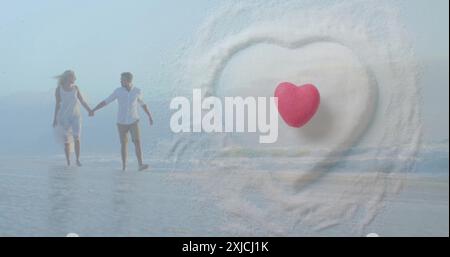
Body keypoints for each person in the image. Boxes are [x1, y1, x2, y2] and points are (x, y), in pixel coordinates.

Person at [92, 72, 153, 171]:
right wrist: (93, 110)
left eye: (122, 79)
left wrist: (150, 116)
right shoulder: (118, 91)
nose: (120, 81)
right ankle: (124, 167)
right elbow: (106, 101)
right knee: (124, 144)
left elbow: (143, 104)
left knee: (137, 142)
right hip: (121, 122)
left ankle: (140, 164)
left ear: (128, 80)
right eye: (121, 79)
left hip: (134, 120)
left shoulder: (137, 91)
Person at [52, 70, 94, 167]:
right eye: (73, 77)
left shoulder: (76, 88)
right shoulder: (59, 89)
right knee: (66, 141)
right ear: (68, 78)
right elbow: (57, 104)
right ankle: (68, 162)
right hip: (63, 117)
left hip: (76, 116)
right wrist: (54, 119)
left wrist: (89, 110)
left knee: (77, 138)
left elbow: (82, 101)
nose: (75, 78)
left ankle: (78, 159)